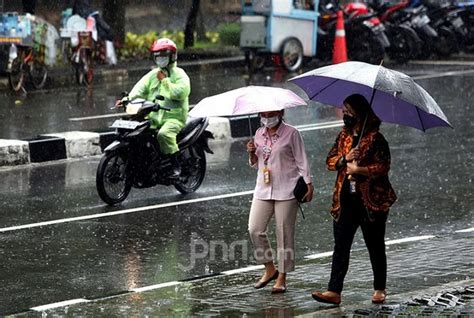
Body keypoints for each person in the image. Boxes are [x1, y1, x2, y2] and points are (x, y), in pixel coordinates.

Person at [311, 94, 397, 305]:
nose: (345, 116)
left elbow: (384, 166)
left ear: (359, 114)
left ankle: (379, 288)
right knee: (341, 245)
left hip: (371, 201)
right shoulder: (344, 137)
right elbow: (329, 161)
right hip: (345, 200)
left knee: (375, 245)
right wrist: (344, 159)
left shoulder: (376, 139)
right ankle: (334, 290)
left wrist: (360, 169)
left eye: (349, 112)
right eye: (344, 112)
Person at [246, 110, 314, 293]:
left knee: (284, 234)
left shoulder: (292, 133)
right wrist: (252, 153)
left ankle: (282, 276)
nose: (267, 117)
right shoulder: (259, 133)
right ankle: (270, 269)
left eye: (271, 113)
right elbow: (256, 163)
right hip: (263, 188)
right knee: (255, 229)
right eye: (263, 113)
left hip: (287, 188)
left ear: (281, 112)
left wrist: (308, 183)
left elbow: (302, 160)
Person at [117, 38, 190, 178]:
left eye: (164, 55)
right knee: (137, 132)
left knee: (164, 135)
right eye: (158, 56)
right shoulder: (153, 75)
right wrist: (126, 100)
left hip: (174, 118)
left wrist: (165, 81)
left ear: (172, 56)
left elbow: (180, 93)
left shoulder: (180, 75)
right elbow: (139, 89)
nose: (161, 59)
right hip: (154, 116)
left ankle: (175, 166)